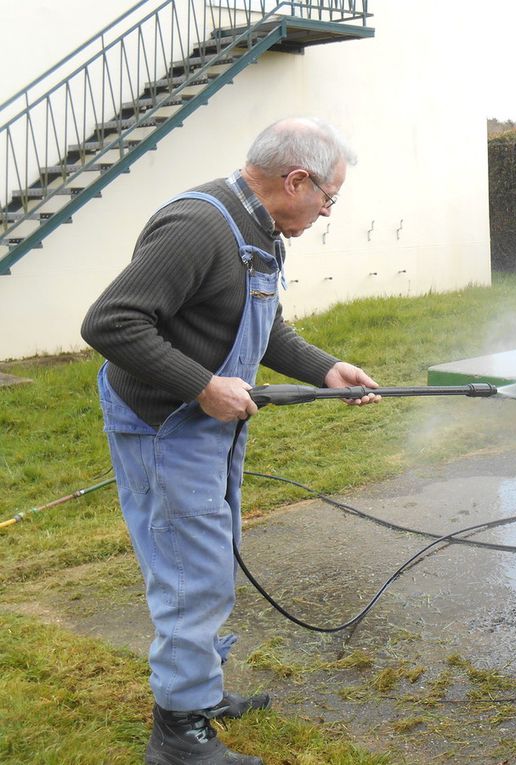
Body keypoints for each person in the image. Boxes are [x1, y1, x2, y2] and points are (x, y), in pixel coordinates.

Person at [81, 117, 379, 765]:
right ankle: (179, 732)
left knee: (215, 553)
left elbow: (257, 325)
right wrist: (202, 386)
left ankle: (197, 690)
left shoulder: (259, 231)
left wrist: (326, 369)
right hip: (164, 422)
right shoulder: (199, 226)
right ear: (295, 180)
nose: (327, 211)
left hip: (209, 422)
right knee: (191, 571)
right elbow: (110, 321)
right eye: (329, 198)